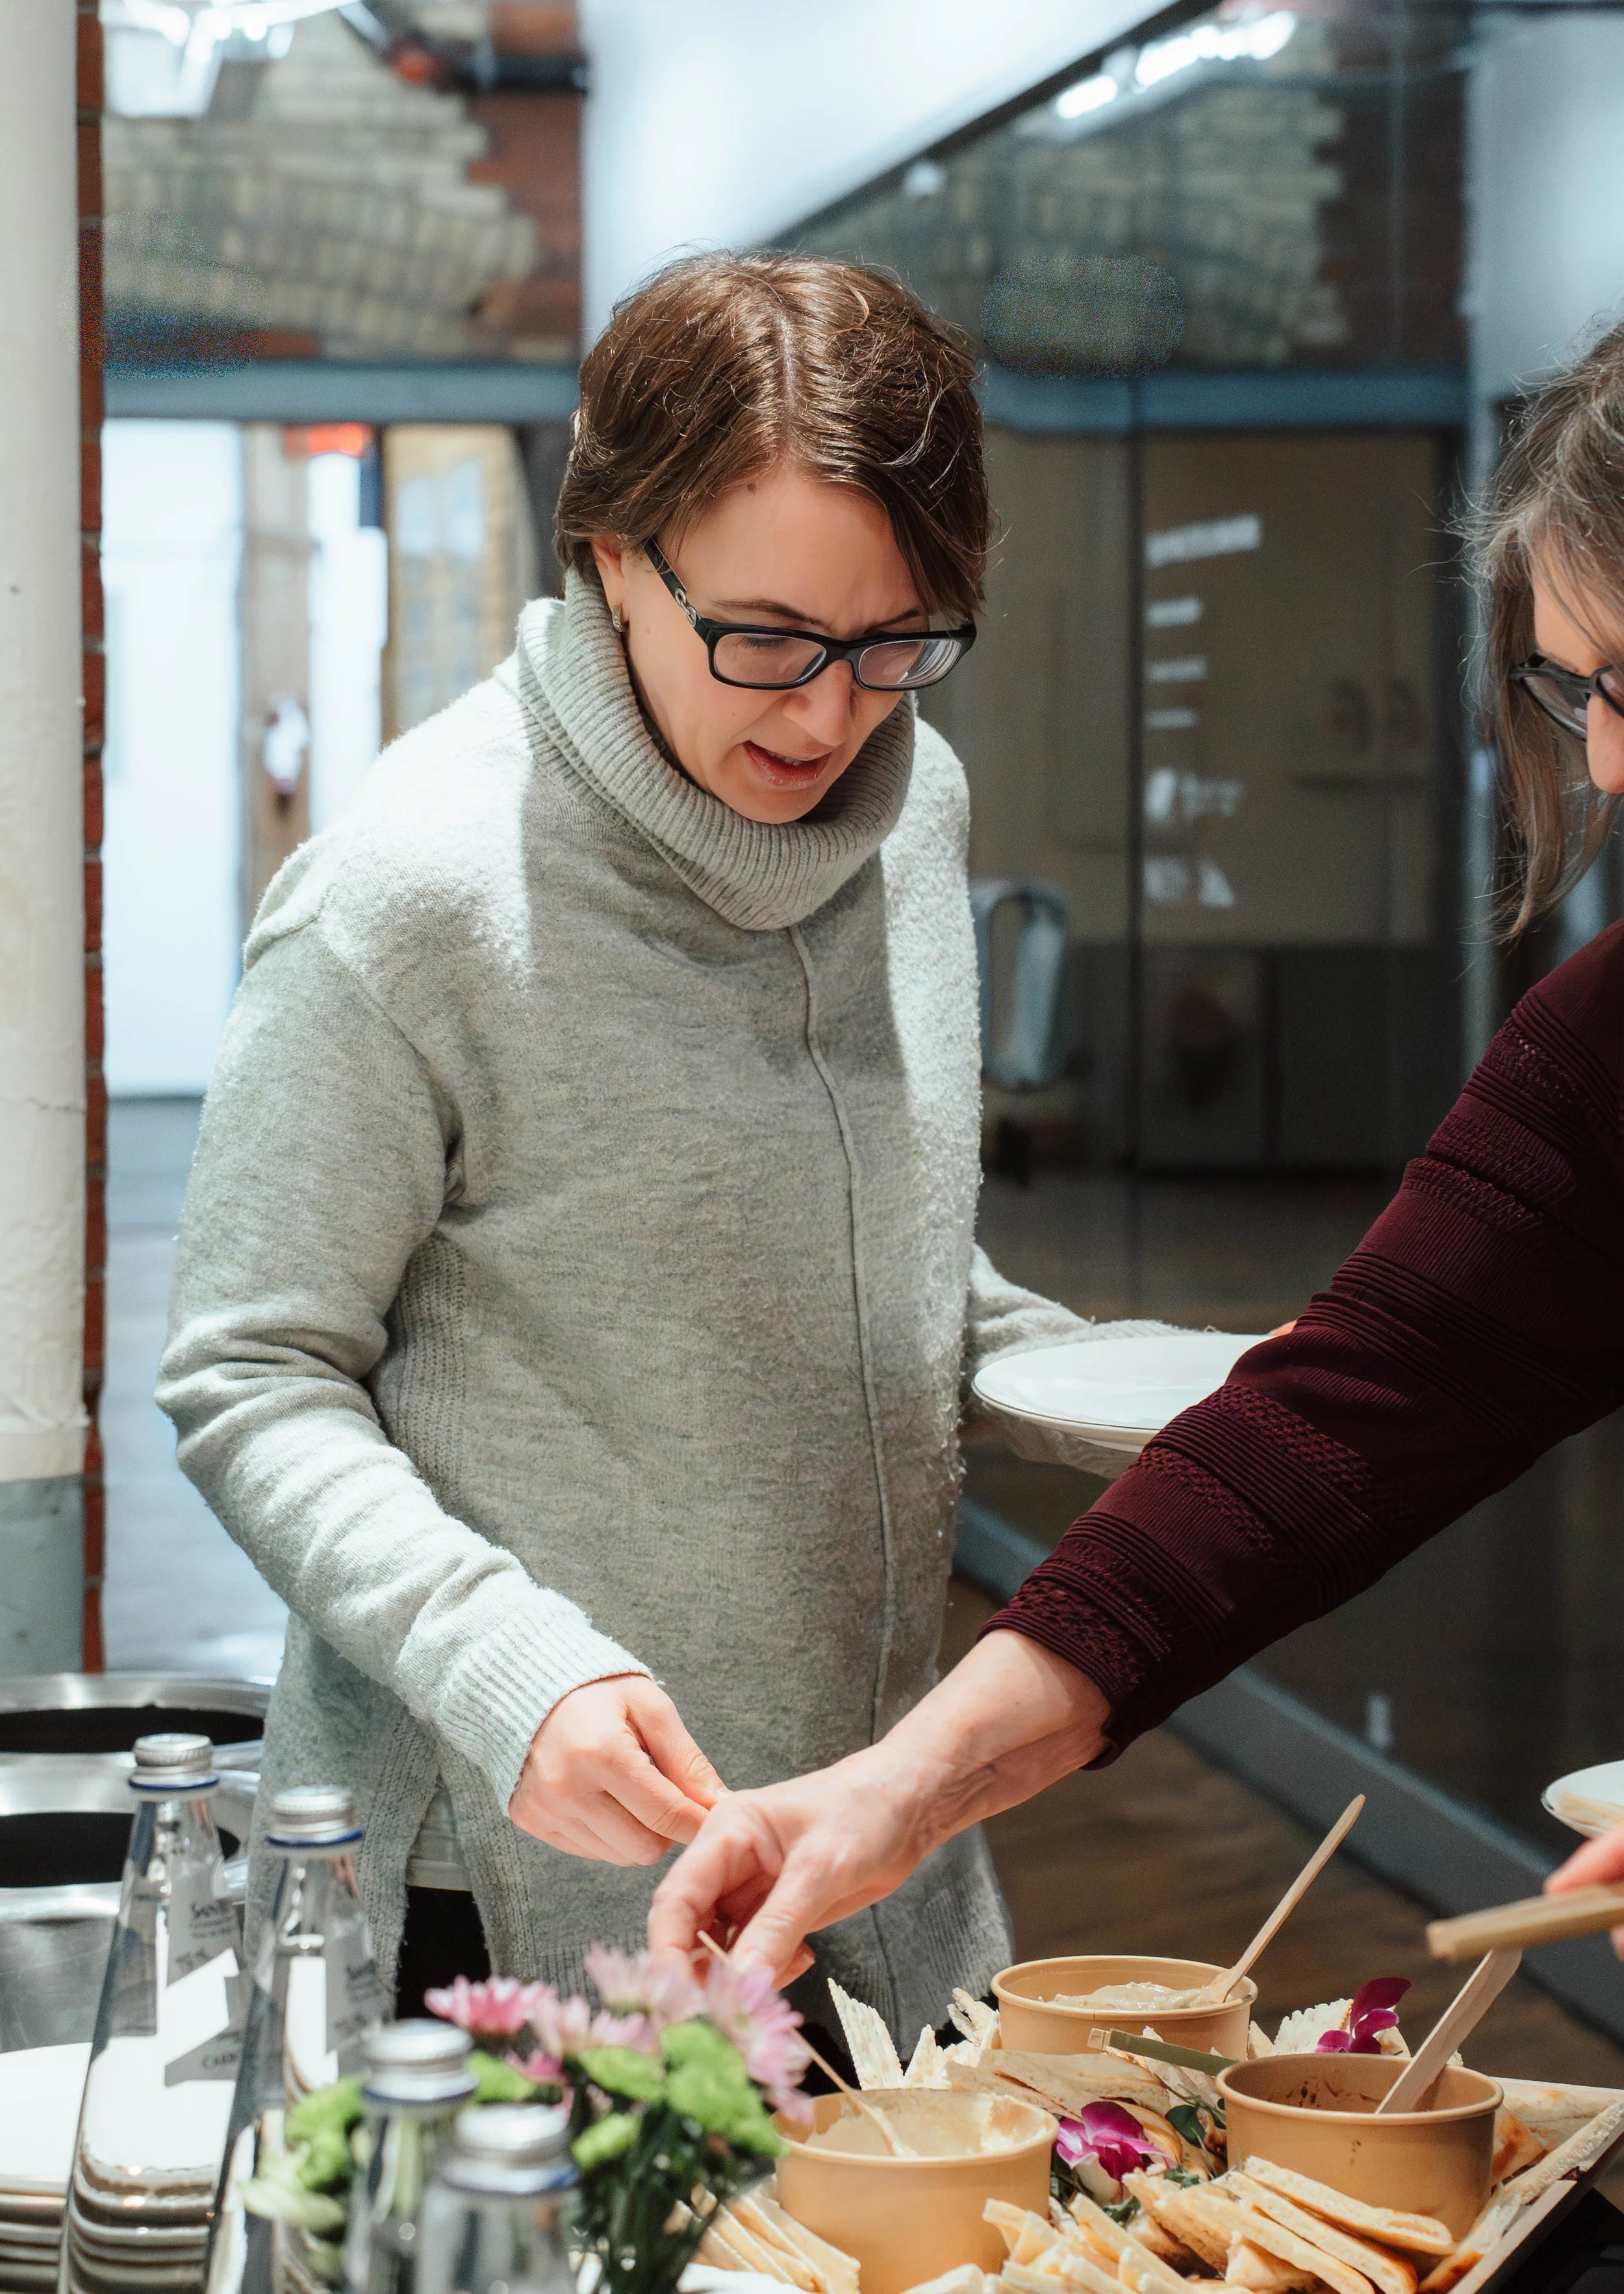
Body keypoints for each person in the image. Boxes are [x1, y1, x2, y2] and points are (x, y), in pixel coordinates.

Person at [158, 253, 1157, 2034]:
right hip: (497, 1881)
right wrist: (506, 1667)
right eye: (765, 638)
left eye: (896, 641)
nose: (823, 713)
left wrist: (1201, 1390)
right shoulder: (412, 892)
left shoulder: (907, 806)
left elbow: (874, 1260)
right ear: (610, 551)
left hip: (860, 1834)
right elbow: (252, 1372)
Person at [650, 317, 1624, 1982]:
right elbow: (1333, 1419)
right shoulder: (1601, 1044)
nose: (1600, 756)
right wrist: (897, 1786)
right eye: (1572, 685)